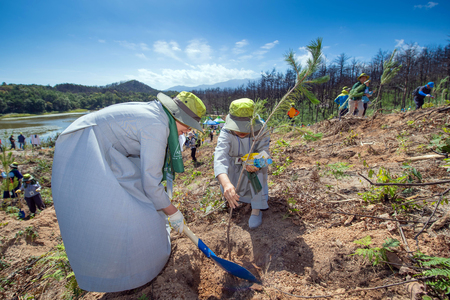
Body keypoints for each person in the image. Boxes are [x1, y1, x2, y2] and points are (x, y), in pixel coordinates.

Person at [51, 91, 206, 292]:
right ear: (176, 116)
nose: (186, 132)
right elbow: (151, 184)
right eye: (187, 126)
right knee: (118, 210)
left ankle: (136, 264)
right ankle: (120, 274)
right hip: (86, 147)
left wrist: (165, 207)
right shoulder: (157, 125)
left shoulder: (158, 115)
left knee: (142, 201)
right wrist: (173, 212)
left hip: (109, 150)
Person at [214, 98, 270, 229]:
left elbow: (265, 152)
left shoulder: (262, 127)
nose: (242, 132)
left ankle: (257, 208)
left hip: (253, 166)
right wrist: (226, 184)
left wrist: (257, 164)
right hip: (234, 168)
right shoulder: (226, 131)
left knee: (262, 167)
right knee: (225, 177)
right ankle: (231, 196)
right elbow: (220, 156)